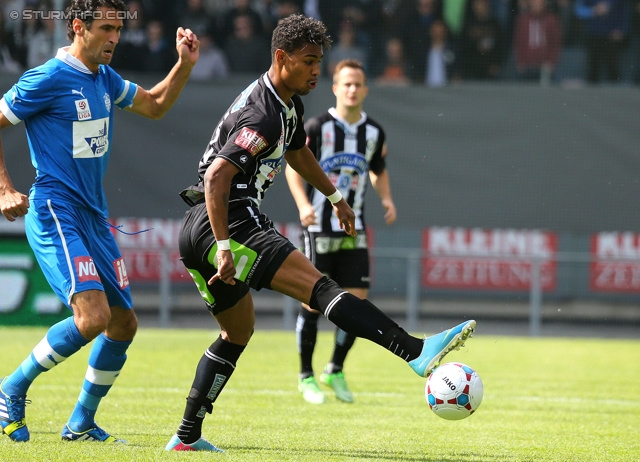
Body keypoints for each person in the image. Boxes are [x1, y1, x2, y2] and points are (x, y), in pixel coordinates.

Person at [166, 13, 475, 452]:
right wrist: (222, 247)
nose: (317, 71)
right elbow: (217, 177)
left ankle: (186, 437)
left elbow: (298, 154)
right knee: (322, 288)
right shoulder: (266, 113)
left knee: (237, 332)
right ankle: (414, 351)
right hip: (229, 219)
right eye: (309, 61)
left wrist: (335, 197)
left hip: (196, 225)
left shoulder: (286, 105)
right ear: (281, 57)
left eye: (319, 61)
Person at [0, 0, 199, 443]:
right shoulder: (49, 77)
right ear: (77, 27)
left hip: (93, 215)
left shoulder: (105, 79)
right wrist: (4, 189)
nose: (115, 37)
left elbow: (155, 106)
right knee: (92, 318)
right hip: (56, 210)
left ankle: (81, 422)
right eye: (106, 28)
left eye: (118, 28)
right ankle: (10, 388)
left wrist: (183, 64)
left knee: (123, 323)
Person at [285, 58, 396, 405]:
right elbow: (293, 166)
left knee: (357, 305)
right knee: (313, 303)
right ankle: (305, 376)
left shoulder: (374, 132)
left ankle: (334, 368)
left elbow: (377, 168)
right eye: (345, 83)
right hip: (319, 229)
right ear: (335, 88)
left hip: (355, 231)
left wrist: (387, 198)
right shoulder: (317, 128)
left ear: (365, 89)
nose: (352, 89)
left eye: (357, 84)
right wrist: (304, 205)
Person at [513, 0, 562, 85]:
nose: (537, 5)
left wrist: (552, 61)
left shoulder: (551, 20)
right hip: (527, 65)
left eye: (539, 3)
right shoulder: (523, 20)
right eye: (534, 3)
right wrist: (520, 60)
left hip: (544, 66)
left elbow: (555, 43)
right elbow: (519, 42)